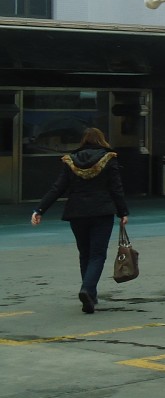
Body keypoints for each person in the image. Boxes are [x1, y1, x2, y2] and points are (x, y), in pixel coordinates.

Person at [30, 127, 130, 314]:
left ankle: (90, 294)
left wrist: (40, 209)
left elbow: (57, 188)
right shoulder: (109, 159)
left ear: (84, 141)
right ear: (102, 140)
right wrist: (123, 212)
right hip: (101, 212)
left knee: (84, 253)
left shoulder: (70, 161)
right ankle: (87, 290)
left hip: (77, 213)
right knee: (97, 255)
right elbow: (116, 188)